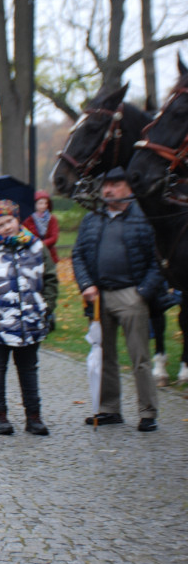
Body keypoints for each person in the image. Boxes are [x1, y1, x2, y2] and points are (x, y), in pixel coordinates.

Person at [72, 166, 163, 432]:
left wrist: (143, 292)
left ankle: (148, 412)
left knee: (140, 357)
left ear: (129, 188)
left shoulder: (144, 218)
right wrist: (86, 284)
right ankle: (109, 409)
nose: (108, 190)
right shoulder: (93, 218)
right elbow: (77, 254)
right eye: (105, 185)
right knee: (104, 355)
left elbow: (158, 261)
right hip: (99, 296)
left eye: (115, 185)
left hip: (131, 294)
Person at [0, 200, 57, 436]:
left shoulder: (36, 247)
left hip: (30, 321)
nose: (6, 227)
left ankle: (33, 416)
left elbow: (51, 278)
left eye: (9, 221)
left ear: (17, 220)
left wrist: (46, 305)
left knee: (28, 369)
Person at [22, 191, 59, 264]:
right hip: (32, 255)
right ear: (35, 204)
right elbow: (25, 235)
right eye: (41, 203)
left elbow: (54, 237)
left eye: (46, 203)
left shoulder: (52, 219)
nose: (44, 206)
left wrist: (41, 244)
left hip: (49, 255)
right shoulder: (28, 220)